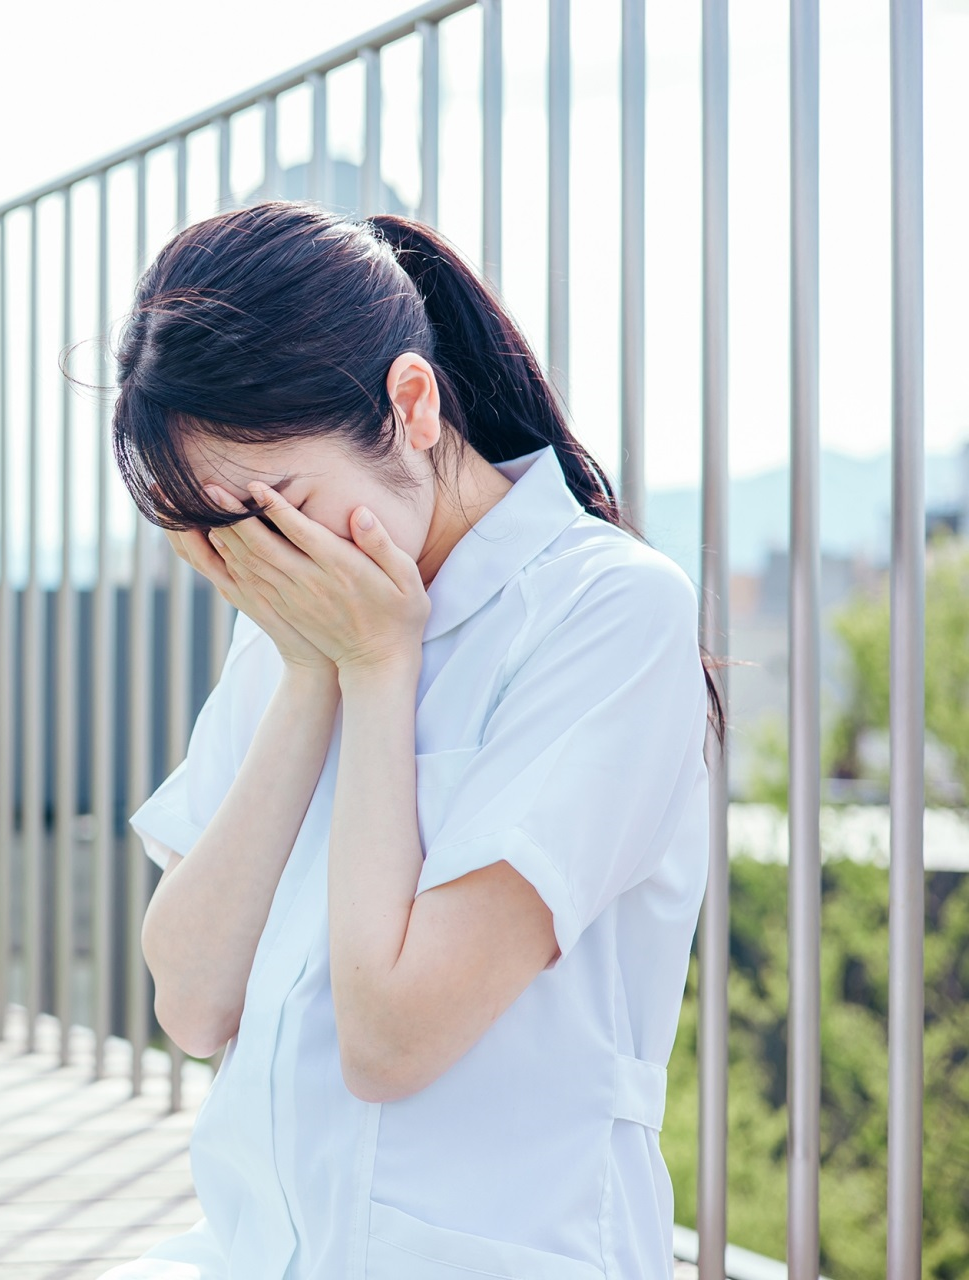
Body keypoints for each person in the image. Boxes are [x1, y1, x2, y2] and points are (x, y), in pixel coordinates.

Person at [105, 205, 715, 1280]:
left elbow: (390, 1039)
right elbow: (192, 998)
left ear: (413, 403)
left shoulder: (608, 614)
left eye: (278, 508)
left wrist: (379, 672)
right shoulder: (301, 617)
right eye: (212, 533)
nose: (253, 563)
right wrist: (312, 669)